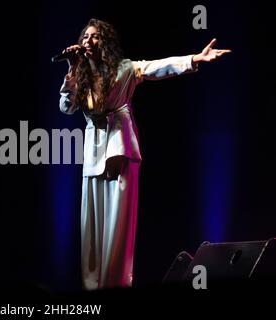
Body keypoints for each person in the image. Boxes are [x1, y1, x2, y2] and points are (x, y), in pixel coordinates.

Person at [58, 18, 231, 290]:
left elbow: (158, 67)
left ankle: (116, 286)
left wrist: (196, 58)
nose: (88, 42)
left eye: (94, 37)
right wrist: (72, 67)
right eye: (85, 37)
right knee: (91, 230)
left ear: (105, 42)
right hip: (92, 157)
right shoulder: (81, 75)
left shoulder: (125, 69)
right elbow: (66, 108)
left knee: (117, 229)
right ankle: (92, 290)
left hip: (120, 150)